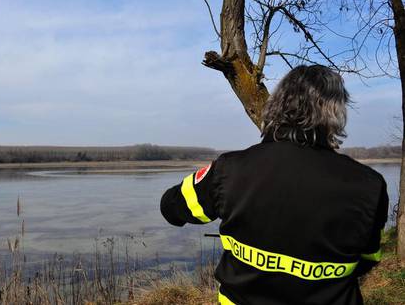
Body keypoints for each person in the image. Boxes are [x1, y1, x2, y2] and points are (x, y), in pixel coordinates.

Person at [159, 64, 389, 305]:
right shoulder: (369, 185)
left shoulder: (230, 169)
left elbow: (171, 208)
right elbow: (368, 258)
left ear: (277, 104)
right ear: (336, 112)